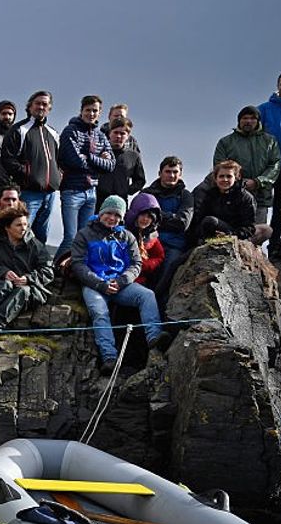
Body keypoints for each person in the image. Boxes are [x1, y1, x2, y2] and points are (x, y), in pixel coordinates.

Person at [70, 194, 168, 372]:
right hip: (95, 285)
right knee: (99, 312)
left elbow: (136, 264)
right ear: (101, 213)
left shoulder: (127, 236)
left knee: (147, 296)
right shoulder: (84, 235)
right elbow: (78, 265)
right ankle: (109, 357)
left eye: (117, 215)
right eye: (109, 213)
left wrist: (122, 281)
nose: (112, 218)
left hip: (121, 284)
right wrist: (101, 284)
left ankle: (154, 337)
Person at [0, 206, 53, 334]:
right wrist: (3, 272)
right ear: (7, 227)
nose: (23, 228)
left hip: (31, 289)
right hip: (1, 285)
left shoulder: (35, 245)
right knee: (4, 284)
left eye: (25, 224)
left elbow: (48, 270)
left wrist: (28, 278)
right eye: (18, 225)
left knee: (22, 291)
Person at [57, 95, 114, 259]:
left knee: (84, 239)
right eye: (88, 110)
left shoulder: (101, 135)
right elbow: (75, 161)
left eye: (95, 110)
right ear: (81, 111)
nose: (91, 114)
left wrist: (88, 157)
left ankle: (73, 269)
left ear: (100, 112)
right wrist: (98, 159)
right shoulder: (70, 131)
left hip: (91, 192)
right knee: (71, 238)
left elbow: (110, 165)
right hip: (72, 191)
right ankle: (55, 268)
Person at [1, 91, 60, 243]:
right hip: (29, 193)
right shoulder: (19, 130)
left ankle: (38, 260)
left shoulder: (53, 133)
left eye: (45, 104)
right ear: (30, 106)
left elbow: (58, 160)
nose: (41, 107)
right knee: (21, 234)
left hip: (50, 194)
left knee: (41, 238)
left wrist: (58, 176)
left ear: (49, 108)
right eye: (37, 103)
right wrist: (28, 174)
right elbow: (7, 159)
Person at [212, 105, 281, 224]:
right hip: (233, 197)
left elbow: (275, 164)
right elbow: (219, 165)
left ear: (258, 121)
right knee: (233, 229)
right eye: (245, 118)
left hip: (261, 196)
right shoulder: (226, 142)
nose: (248, 121)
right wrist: (239, 182)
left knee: (259, 230)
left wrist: (258, 181)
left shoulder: (270, 141)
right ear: (239, 121)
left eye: (252, 118)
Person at [143, 156, 195, 308]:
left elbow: (182, 223)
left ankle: (161, 314)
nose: (171, 175)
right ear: (160, 173)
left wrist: (157, 215)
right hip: (148, 245)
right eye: (167, 172)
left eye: (175, 172)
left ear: (180, 174)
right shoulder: (147, 194)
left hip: (173, 247)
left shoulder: (186, 196)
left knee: (167, 280)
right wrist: (171, 217)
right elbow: (141, 220)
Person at [189, 159, 273, 246]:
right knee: (210, 221)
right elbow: (200, 220)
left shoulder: (246, 198)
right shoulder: (209, 195)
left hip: (236, 234)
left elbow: (249, 227)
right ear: (215, 178)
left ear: (236, 177)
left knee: (266, 230)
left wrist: (232, 235)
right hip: (213, 233)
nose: (225, 179)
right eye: (221, 176)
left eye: (229, 176)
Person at [259, 71, 281, 242]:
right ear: (278, 86)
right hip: (269, 167)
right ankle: (271, 247)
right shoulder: (264, 109)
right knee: (273, 208)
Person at [95, 117, 145, 210]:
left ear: (128, 136)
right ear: (109, 133)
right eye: (115, 132)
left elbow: (140, 180)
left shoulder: (133, 156)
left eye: (122, 133)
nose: (118, 136)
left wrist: (127, 190)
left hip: (120, 202)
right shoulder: (98, 151)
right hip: (98, 201)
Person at [126, 193, 164, 286]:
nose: (145, 219)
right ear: (135, 214)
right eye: (142, 214)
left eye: (150, 216)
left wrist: (144, 265)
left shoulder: (152, 237)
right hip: (122, 277)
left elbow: (159, 257)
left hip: (141, 280)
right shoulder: (123, 233)